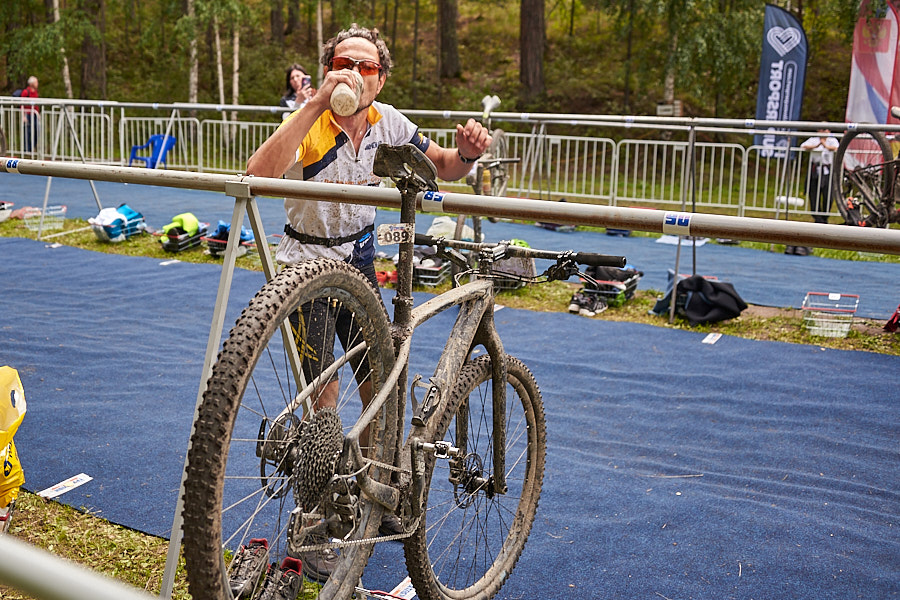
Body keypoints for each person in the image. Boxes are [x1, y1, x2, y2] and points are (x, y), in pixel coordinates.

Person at [245, 23, 490, 582]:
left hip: (356, 264)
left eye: (366, 66)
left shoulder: (390, 122)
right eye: (342, 63)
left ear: (381, 80)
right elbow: (257, 176)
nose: (354, 74)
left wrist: (468, 155)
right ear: (328, 67)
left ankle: (372, 493)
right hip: (305, 267)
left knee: (380, 385)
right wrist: (310, 105)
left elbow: (444, 168)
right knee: (323, 404)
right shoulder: (309, 122)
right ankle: (314, 526)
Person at [785, 129, 839, 256]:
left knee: (828, 196)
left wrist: (825, 145)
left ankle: (824, 218)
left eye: (824, 130)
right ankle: (817, 218)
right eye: (820, 130)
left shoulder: (833, 140)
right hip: (815, 169)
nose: (822, 132)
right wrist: (817, 145)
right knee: (813, 195)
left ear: (828, 131)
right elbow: (803, 146)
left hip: (827, 170)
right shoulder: (813, 139)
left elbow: (836, 148)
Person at [21, 76, 39, 153]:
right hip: (28, 114)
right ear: (32, 83)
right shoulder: (26, 92)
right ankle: (27, 150)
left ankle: (32, 148)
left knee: (36, 132)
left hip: (35, 114)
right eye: (36, 82)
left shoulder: (35, 92)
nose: (37, 84)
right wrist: (23, 116)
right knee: (27, 133)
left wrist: (38, 114)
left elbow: (36, 105)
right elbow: (21, 104)